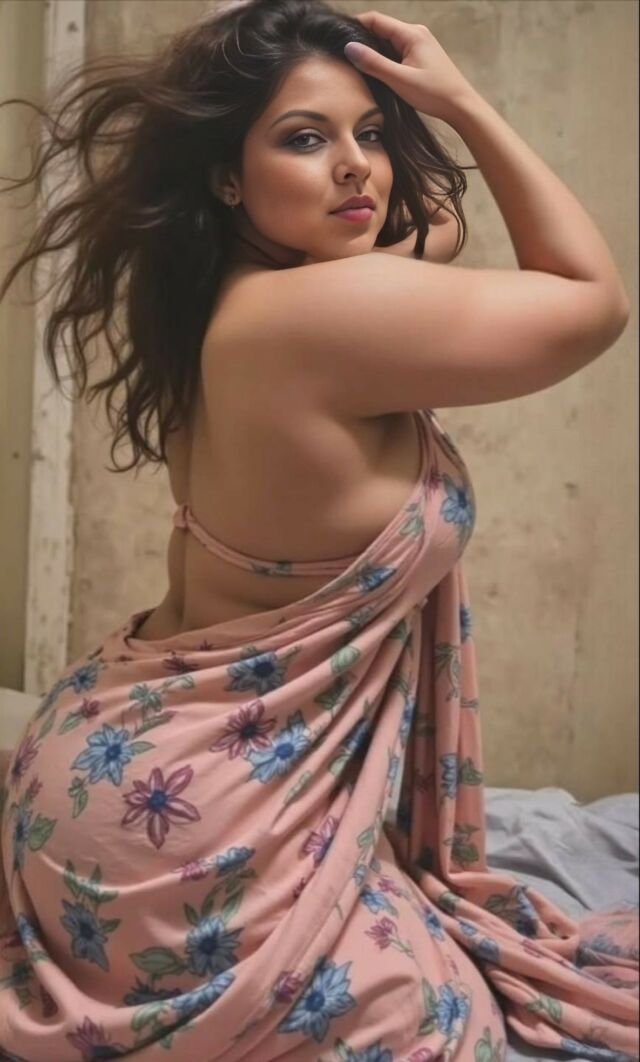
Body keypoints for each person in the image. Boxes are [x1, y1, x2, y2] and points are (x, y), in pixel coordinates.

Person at [0, 2, 636, 1060]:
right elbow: (592, 298)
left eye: (371, 133)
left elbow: (433, 233)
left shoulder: (234, 302)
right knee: (448, 1030)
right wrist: (463, 104)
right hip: (181, 828)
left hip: (105, 783)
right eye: (304, 138)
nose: (355, 166)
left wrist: (350, 172)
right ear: (227, 177)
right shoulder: (322, 317)